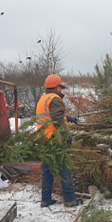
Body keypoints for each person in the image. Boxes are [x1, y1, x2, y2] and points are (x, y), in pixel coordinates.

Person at [35, 74, 79, 207]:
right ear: (57, 87)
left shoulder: (43, 99)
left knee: (47, 170)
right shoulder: (55, 99)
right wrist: (66, 136)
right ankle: (70, 200)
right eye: (61, 87)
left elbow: (52, 116)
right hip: (56, 141)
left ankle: (45, 199)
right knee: (64, 169)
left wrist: (68, 118)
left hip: (45, 140)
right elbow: (57, 120)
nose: (62, 90)